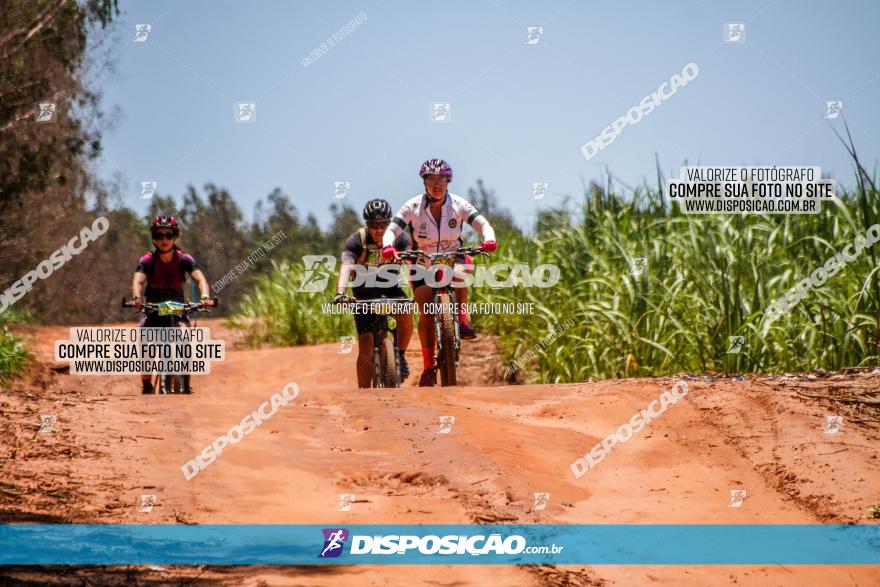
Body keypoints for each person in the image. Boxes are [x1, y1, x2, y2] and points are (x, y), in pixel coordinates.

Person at [381, 159, 497, 387]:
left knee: (461, 272)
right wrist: (388, 246)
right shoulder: (412, 207)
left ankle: (462, 321)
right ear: (424, 183)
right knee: (425, 314)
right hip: (423, 261)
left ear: (448, 182)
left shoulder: (459, 204)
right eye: (432, 180)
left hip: (453, 254)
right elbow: (392, 230)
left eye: (441, 181)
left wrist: (489, 239)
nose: (437, 185)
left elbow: (482, 224)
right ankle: (427, 368)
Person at [334, 199, 414, 387]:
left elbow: (413, 262)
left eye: (383, 225)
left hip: (391, 289)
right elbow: (346, 266)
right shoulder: (357, 241)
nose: (379, 230)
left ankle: (400, 356)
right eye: (373, 225)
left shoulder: (400, 238)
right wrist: (340, 293)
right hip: (363, 294)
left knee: (405, 314)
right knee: (366, 344)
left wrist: (419, 287)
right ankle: (364, 395)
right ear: (366, 224)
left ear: (390, 223)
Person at [131, 214, 214, 394]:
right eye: (160, 235)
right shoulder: (148, 260)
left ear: (174, 236)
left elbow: (200, 279)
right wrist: (137, 299)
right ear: (154, 238)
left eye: (168, 235)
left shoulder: (184, 259)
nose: (164, 240)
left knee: (184, 336)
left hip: (178, 311)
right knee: (145, 338)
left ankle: (185, 380)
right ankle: (146, 383)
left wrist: (205, 296)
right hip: (154, 311)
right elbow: (138, 281)